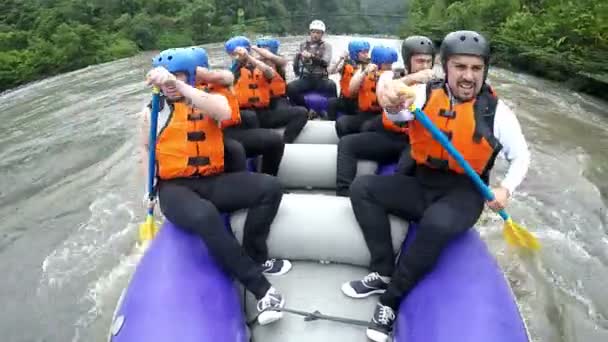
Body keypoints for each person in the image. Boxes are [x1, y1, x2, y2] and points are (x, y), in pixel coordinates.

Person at [341, 31, 531, 342]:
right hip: (422, 181)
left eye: (476, 68)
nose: (468, 76)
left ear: (485, 71)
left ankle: (390, 301)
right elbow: (396, 110)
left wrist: (506, 189)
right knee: (362, 188)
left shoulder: (497, 113)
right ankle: (382, 269)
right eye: (460, 67)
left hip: (465, 191)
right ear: (446, 67)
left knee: (436, 223)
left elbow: (521, 156)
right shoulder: (424, 94)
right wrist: (388, 100)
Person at [140, 48, 292, 325]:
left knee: (269, 187)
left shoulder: (210, 98)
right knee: (204, 215)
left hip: (211, 180)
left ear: (192, 77)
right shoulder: (153, 111)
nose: (169, 83)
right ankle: (262, 290)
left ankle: (255, 253)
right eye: (167, 78)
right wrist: (148, 192)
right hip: (175, 188)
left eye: (178, 76)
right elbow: (146, 152)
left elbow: (222, 111)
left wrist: (180, 86)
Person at [335, 36, 437, 197]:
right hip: (390, 136)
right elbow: (384, 97)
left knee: (404, 171)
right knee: (346, 143)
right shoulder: (390, 76)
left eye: (428, 62)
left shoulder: (438, 85)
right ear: (407, 61)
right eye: (419, 61)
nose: (424, 66)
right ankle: (343, 193)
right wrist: (412, 79)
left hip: (415, 142)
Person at [220, 36, 286, 176]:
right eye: (232, 55)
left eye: (235, 54)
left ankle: (264, 164)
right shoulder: (230, 71)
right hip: (239, 115)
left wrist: (249, 57)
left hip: (261, 111)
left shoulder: (259, 65)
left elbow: (270, 73)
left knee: (252, 117)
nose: (234, 57)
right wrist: (238, 62)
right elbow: (227, 79)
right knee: (249, 116)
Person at [190, 46, 247, 172]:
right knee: (235, 148)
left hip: (224, 126)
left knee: (250, 118)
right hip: (203, 136)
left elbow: (230, 75)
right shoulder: (175, 91)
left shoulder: (216, 79)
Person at [252, 37, 308, 142]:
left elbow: (281, 62)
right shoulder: (250, 62)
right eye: (260, 47)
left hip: (277, 100)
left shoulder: (279, 62)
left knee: (300, 112)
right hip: (259, 107)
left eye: (264, 48)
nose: (261, 50)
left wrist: (266, 55)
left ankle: (286, 141)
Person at [334, 45, 398, 138]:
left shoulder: (394, 75)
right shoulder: (364, 71)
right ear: (378, 63)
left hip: (383, 115)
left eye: (391, 64)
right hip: (365, 114)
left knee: (368, 126)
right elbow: (351, 91)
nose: (390, 66)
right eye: (387, 64)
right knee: (342, 123)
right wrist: (364, 73)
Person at [287, 20, 337, 116]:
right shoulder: (303, 45)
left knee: (332, 85)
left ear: (322, 34)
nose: (315, 35)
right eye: (313, 32)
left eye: (318, 33)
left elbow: (325, 63)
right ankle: (306, 109)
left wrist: (311, 56)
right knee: (290, 87)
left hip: (321, 79)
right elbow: (297, 64)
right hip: (306, 78)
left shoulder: (327, 46)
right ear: (310, 32)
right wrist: (297, 61)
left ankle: (330, 111)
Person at [326, 39, 370, 120]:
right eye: (363, 52)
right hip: (346, 100)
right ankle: (331, 123)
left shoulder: (370, 66)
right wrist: (340, 59)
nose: (366, 55)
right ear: (355, 53)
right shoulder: (345, 64)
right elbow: (330, 71)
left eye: (367, 52)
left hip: (359, 102)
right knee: (331, 102)